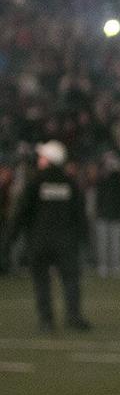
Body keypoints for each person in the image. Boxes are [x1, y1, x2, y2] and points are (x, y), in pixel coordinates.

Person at [5, 140, 91, 332]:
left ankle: (46, 320)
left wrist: (10, 237)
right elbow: (80, 214)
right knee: (70, 280)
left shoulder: (35, 182)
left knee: (42, 282)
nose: (39, 160)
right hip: (66, 241)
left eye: (42, 156)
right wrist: (84, 239)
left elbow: (22, 212)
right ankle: (73, 317)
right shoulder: (70, 183)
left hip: (39, 240)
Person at [94, 151, 120, 278]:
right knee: (112, 242)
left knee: (109, 242)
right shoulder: (118, 181)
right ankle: (111, 265)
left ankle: (108, 265)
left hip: (108, 215)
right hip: (112, 215)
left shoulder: (107, 181)